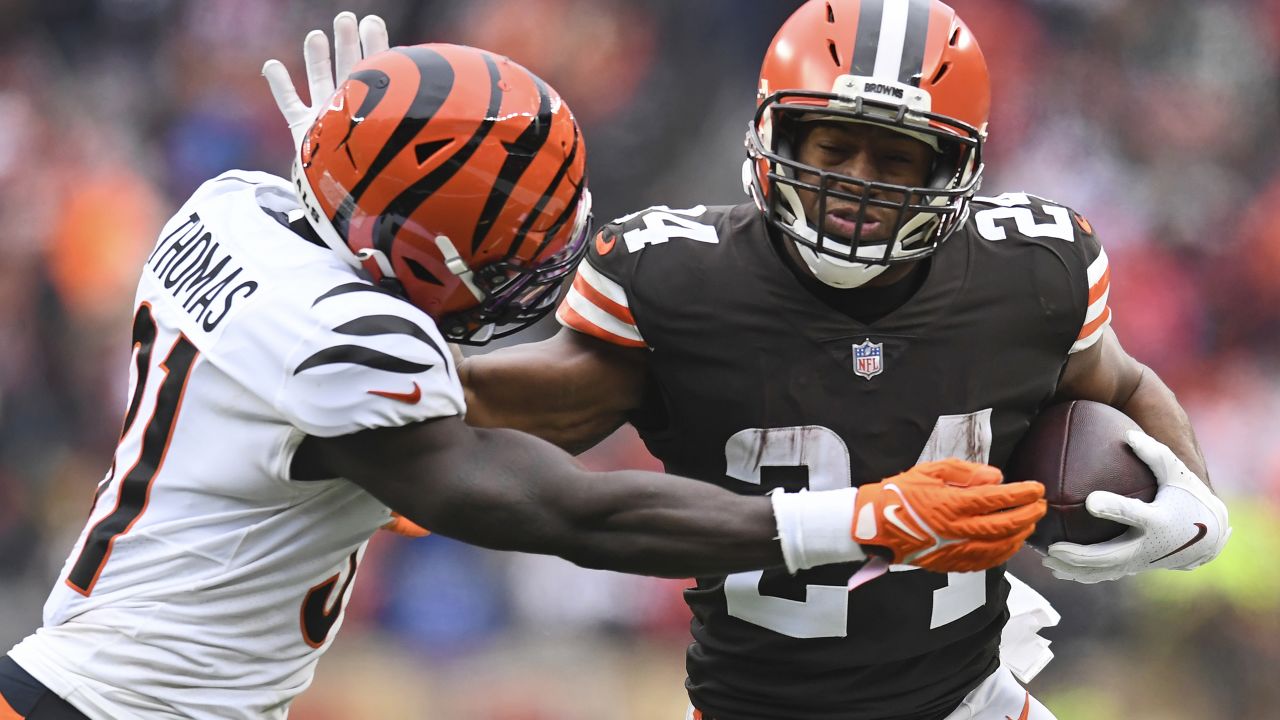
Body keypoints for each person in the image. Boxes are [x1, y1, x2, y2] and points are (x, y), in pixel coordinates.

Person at [0, 12, 1049, 720]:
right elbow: (565, 514)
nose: (529, 274)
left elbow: (351, 312)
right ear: (412, 253)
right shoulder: (348, 340)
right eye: (509, 251)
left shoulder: (238, 205)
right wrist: (851, 520)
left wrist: (365, 160)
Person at [452, 1, 1234, 719]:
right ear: (777, 137)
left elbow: (1122, 382)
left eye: (896, 160)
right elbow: (538, 410)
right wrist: (380, 365)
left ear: (951, 170)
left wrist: (1195, 501)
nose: (856, 181)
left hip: (969, 697)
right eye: (834, 145)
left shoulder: (1030, 272)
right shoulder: (680, 281)